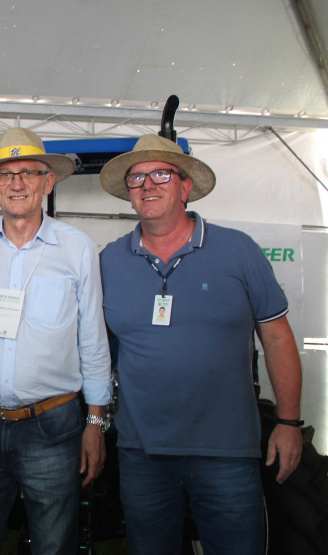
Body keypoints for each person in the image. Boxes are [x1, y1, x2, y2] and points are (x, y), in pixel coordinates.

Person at [98, 134, 304, 554]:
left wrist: (288, 422)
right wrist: (93, 422)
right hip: (142, 451)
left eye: (161, 174)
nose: (147, 185)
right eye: (137, 178)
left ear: (185, 187)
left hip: (226, 452)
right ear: (129, 194)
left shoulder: (238, 250)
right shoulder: (109, 261)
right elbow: (93, 345)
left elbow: (277, 336)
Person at [0, 128, 113, 555]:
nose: (17, 183)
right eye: (6, 175)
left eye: (29, 172)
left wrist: (96, 424)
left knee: (53, 546)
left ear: (49, 181)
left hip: (52, 427)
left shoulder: (78, 249)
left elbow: (93, 340)